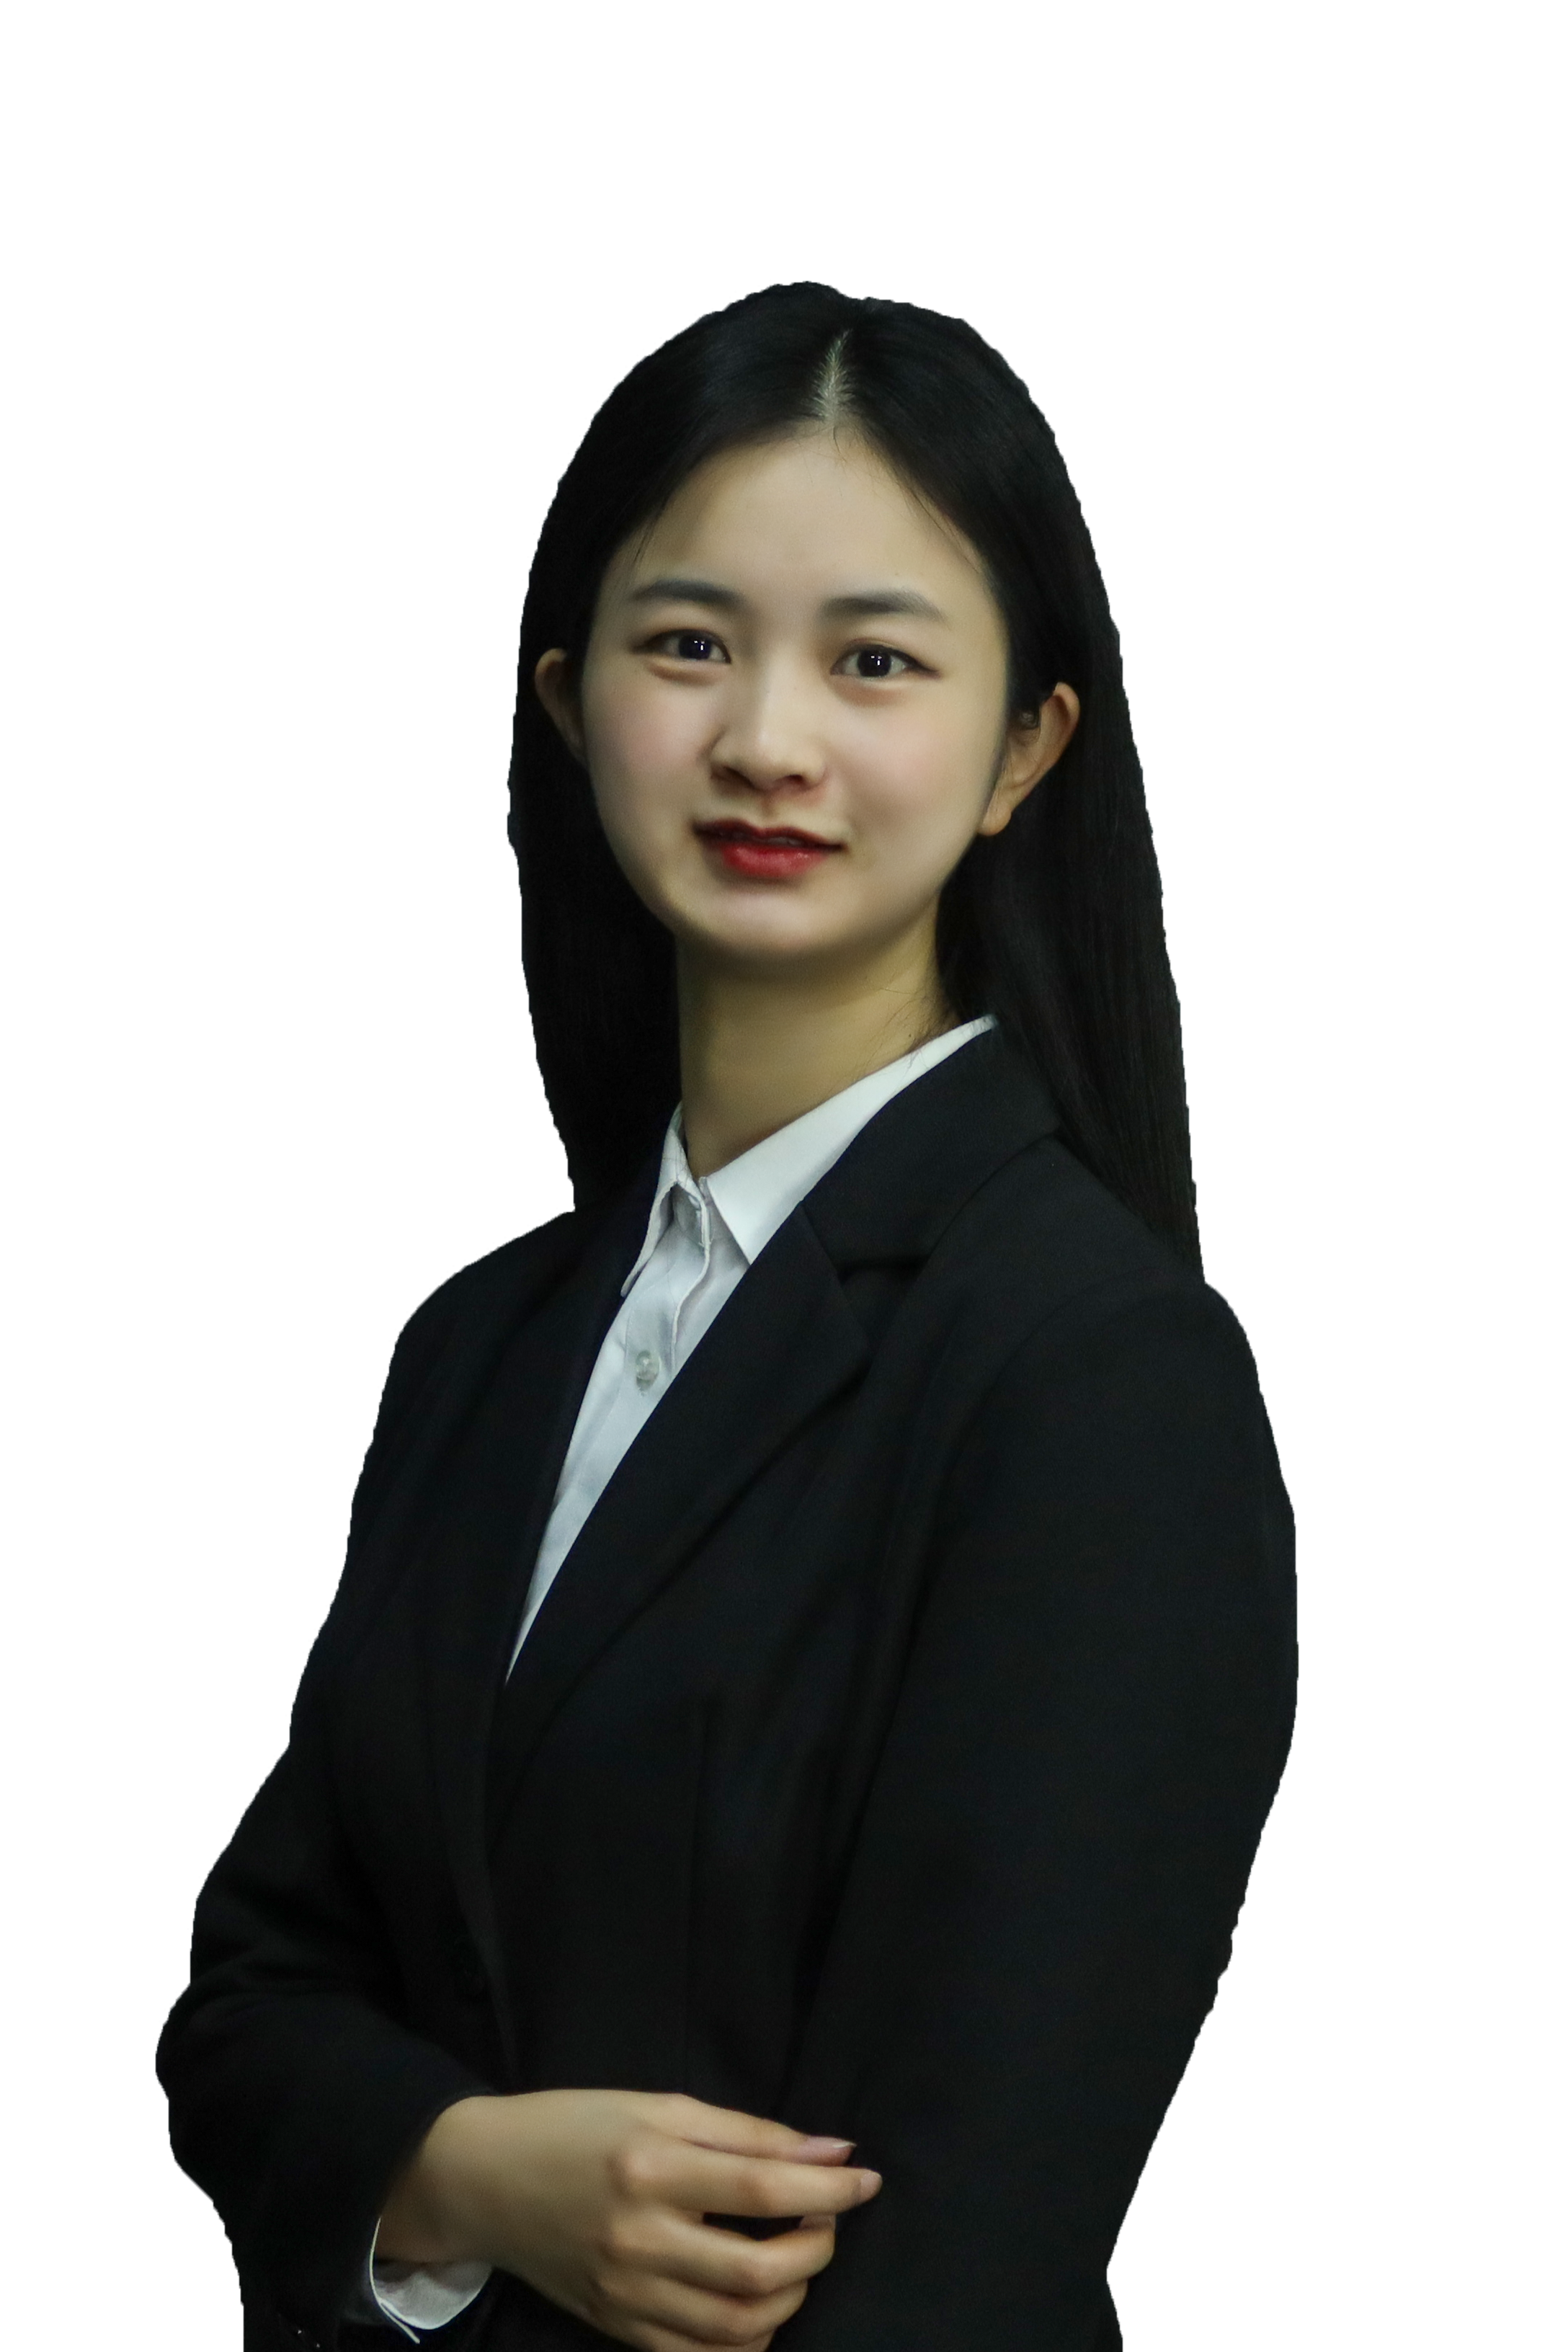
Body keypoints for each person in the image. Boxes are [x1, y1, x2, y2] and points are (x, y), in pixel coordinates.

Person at [157, 282, 1297, 2352]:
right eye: (689, 644)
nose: (767, 739)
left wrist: (409, 2145)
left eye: (876, 660)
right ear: (565, 694)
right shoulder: (477, 1345)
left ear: (1027, 748)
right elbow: (244, 2011)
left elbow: (963, 2244)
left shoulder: (1100, 1377)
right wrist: (467, 2173)